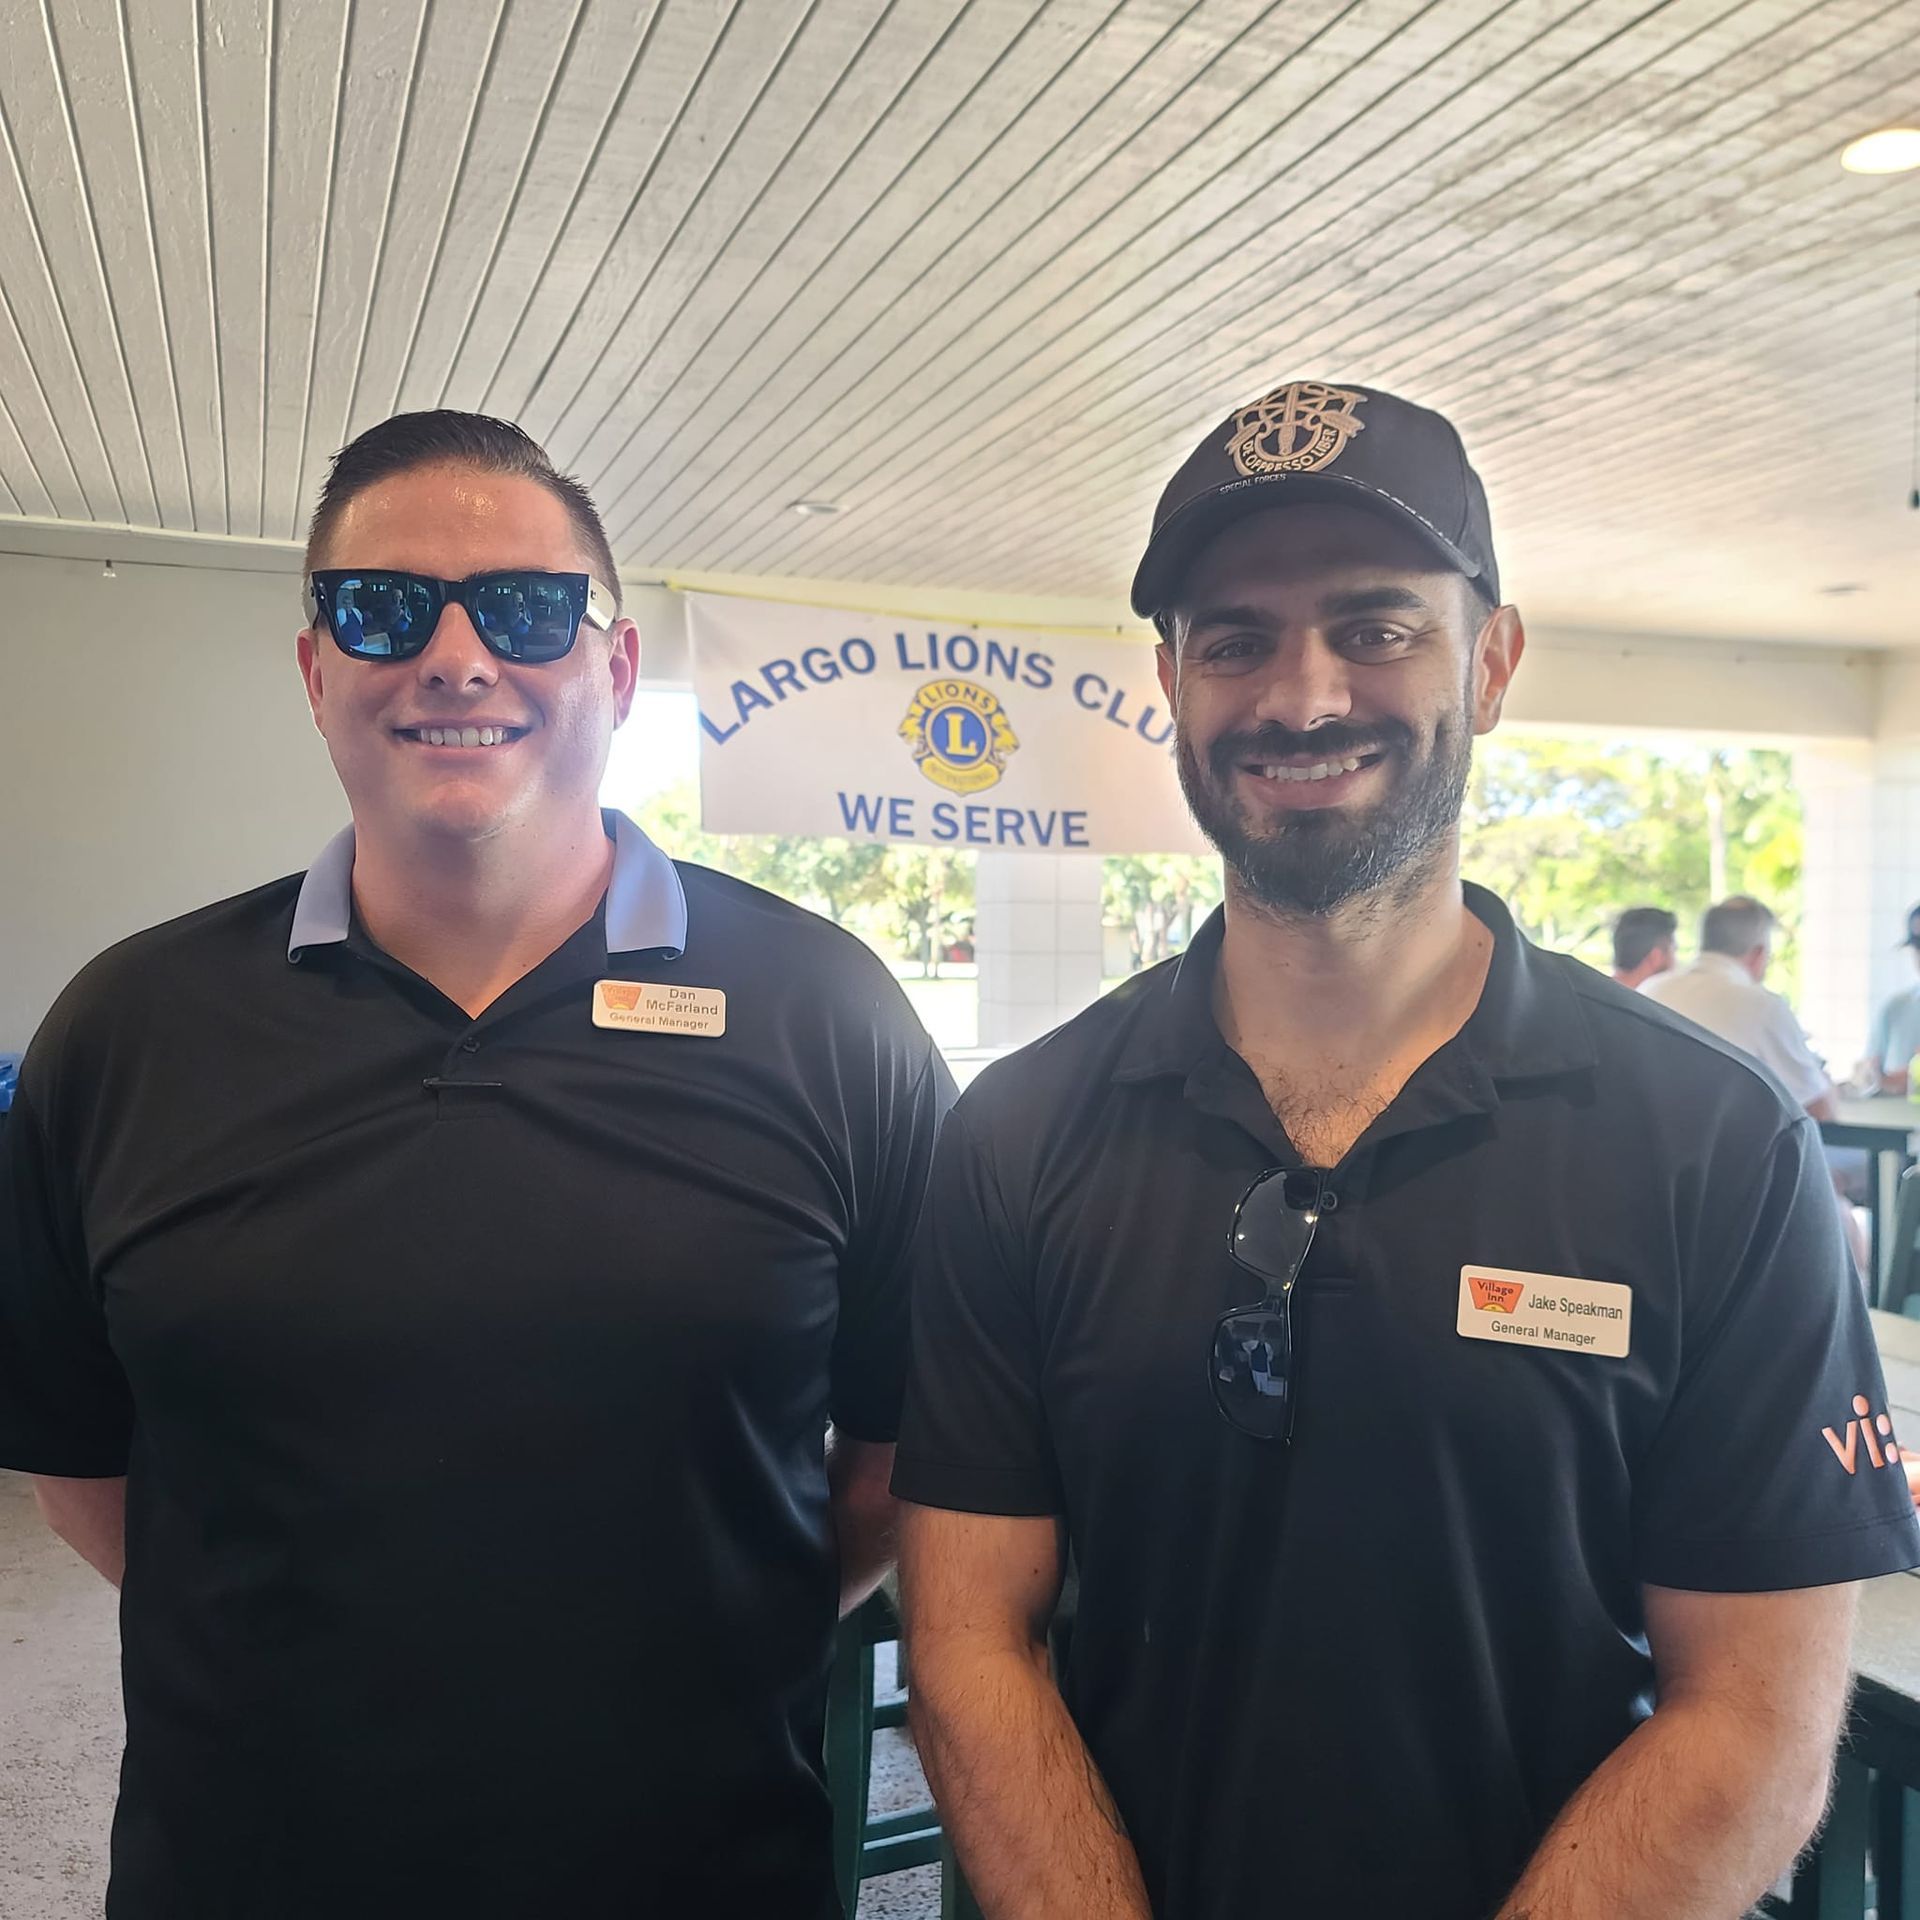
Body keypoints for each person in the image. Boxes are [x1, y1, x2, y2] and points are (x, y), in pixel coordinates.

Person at [892, 378, 1919, 1920]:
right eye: (1236, 638)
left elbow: (1757, 1710)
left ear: (1492, 661)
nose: (1303, 697)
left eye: (1376, 628)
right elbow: (972, 1638)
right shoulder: (1023, 1132)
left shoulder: (1711, 1143)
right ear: (1170, 679)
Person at [0, 411, 952, 1919]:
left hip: (699, 1871)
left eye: (521, 606)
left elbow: (895, 1456)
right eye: (384, 609)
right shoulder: (130, 1028)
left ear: (616, 670)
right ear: (317, 671)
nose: (455, 655)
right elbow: (81, 1474)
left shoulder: (827, 1014)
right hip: (248, 1873)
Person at [1640, 896, 1836, 1119]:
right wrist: (1825, 1079)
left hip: (1646, 1143)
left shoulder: (1650, 989)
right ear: (1759, 954)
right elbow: (1820, 1110)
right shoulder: (1762, 1006)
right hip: (1729, 1148)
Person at [1855, 902, 1920, 1093]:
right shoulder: (1896, 1008)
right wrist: (1868, 1076)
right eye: (1918, 946)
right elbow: (1869, 1073)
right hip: (1897, 1121)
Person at [1609, 904, 1677, 989]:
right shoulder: (1660, 998)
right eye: (1673, 951)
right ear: (1656, 957)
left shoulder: (1593, 992)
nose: (1676, 963)